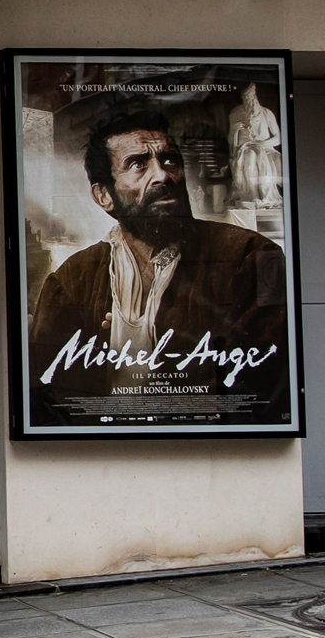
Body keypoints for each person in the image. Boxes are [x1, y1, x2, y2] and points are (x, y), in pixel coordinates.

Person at [29, 111, 290, 426]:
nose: (162, 176)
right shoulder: (72, 279)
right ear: (103, 195)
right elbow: (45, 393)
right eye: (138, 164)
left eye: (169, 161)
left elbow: (263, 394)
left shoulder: (250, 257)